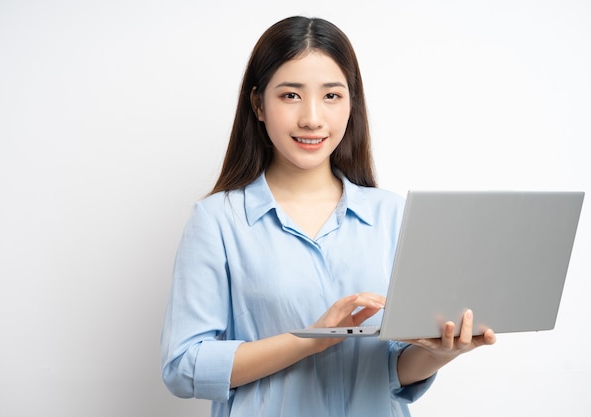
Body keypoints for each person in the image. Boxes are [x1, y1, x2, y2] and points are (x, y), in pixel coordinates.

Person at [161, 16, 496, 417]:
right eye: (290, 95)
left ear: (351, 104)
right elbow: (183, 367)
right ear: (258, 104)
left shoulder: (391, 215)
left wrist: (440, 352)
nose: (312, 118)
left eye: (332, 96)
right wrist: (311, 339)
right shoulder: (217, 220)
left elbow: (392, 370)